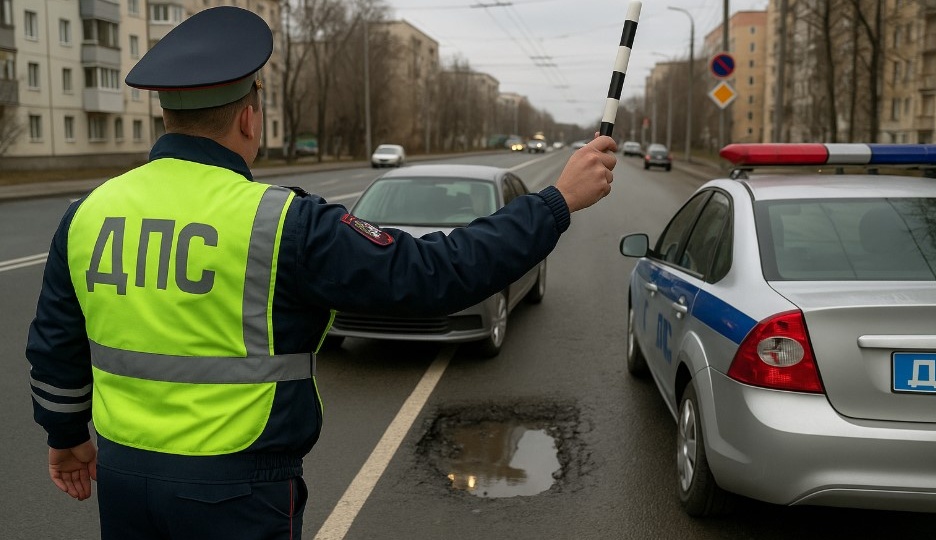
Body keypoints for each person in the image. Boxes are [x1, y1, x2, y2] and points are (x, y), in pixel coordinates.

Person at [24, 6, 617, 539]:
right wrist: (556, 201)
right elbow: (435, 273)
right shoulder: (283, 222)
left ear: (165, 114)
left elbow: (55, 346)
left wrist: (66, 438)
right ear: (251, 118)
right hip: (239, 487)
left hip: (125, 480)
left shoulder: (89, 211)